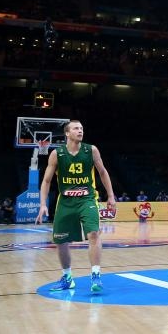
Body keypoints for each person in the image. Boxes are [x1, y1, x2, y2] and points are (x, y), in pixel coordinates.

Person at [35, 120, 116, 293]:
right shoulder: (57, 154)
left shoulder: (91, 150)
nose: (80, 131)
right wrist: (42, 204)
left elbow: (102, 172)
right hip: (65, 201)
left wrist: (110, 195)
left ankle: (96, 275)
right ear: (67, 133)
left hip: (87, 199)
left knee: (94, 233)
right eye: (76, 128)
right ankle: (67, 278)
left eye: (81, 128)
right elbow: (47, 181)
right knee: (61, 241)